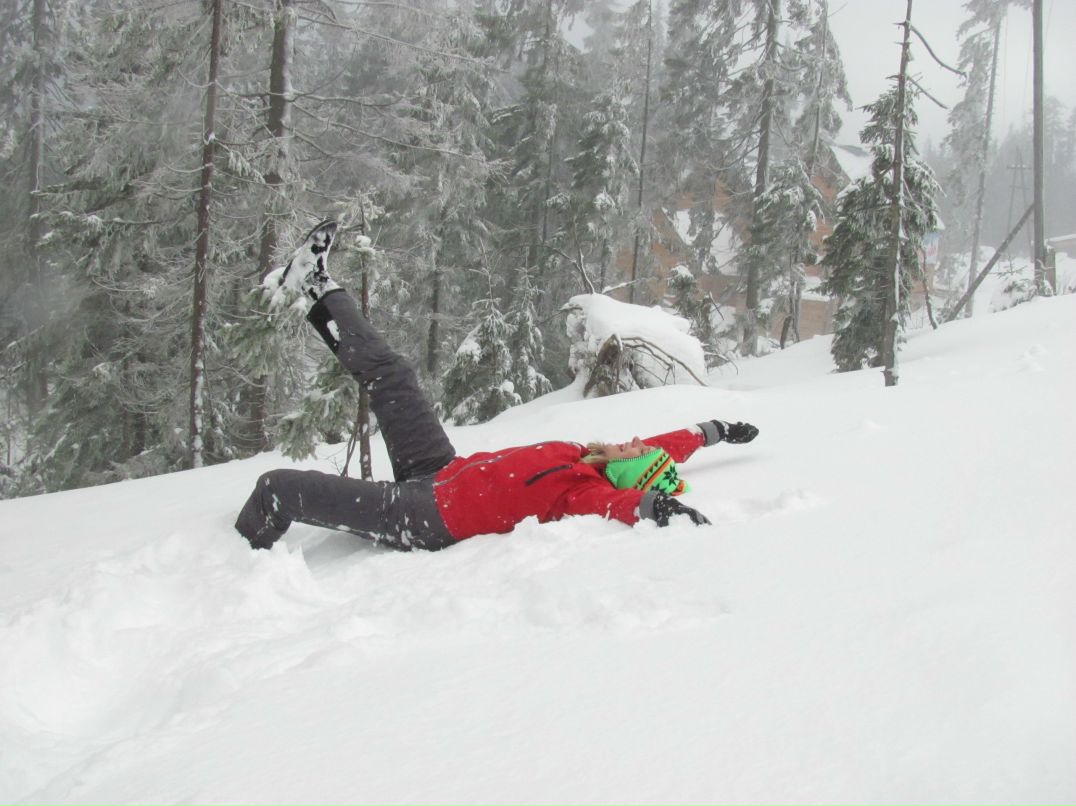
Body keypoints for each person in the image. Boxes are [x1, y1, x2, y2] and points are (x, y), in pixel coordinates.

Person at [235, 220, 760, 552]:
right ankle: (315, 283)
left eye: (632, 450)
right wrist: (712, 430)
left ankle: (235, 554)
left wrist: (658, 508)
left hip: (420, 518)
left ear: (625, 470)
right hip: (439, 470)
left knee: (280, 488)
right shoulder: (585, 454)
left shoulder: (584, 490)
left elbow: (621, 505)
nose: (630, 441)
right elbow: (663, 449)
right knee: (395, 375)